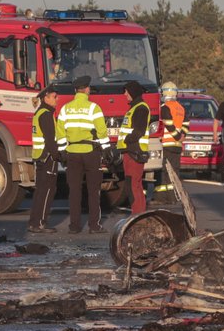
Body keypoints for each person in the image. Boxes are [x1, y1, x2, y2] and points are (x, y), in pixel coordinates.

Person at [58, 75, 109, 233]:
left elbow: (60, 132)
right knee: (94, 191)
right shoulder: (94, 108)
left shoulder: (65, 108)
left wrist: (62, 151)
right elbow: (101, 131)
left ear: (75, 90)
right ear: (87, 89)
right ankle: (94, 226)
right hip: (90, 153)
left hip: (72, 153)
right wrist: (106, 149)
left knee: (74, 191)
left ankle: (74, 226)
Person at [28, 87, 63, 233]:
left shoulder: (39, 112)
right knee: (48, 190)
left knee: (40, 191)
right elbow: (50, 140)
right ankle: (40, 223)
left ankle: (33, 223)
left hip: (40, 156)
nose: (57, 99)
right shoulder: (46, 114)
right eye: (54, 96)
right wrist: (59, 156)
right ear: (46, 98)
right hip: (47, 157)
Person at [117, 81, 150, 214]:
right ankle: (139, 215)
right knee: (135, 185)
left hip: (134, 152)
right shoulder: (135, 107)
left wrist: (126, 140)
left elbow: (138, 131)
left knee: (132, 186)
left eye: (127, 91)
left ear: (133, 92)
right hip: (130, 151)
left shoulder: (140, 108)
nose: (125, 94)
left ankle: (136, 216)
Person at [154, 81, 186, 204]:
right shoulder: (180, 108)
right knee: (175, 171)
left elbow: (168, 124)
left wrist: (177, 136)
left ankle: (162, 198)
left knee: (164, 172)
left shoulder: (164, 108)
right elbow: (186, 124)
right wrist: (182, 135)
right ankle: (174, 197)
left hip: (166, 145)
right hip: (177, 146)